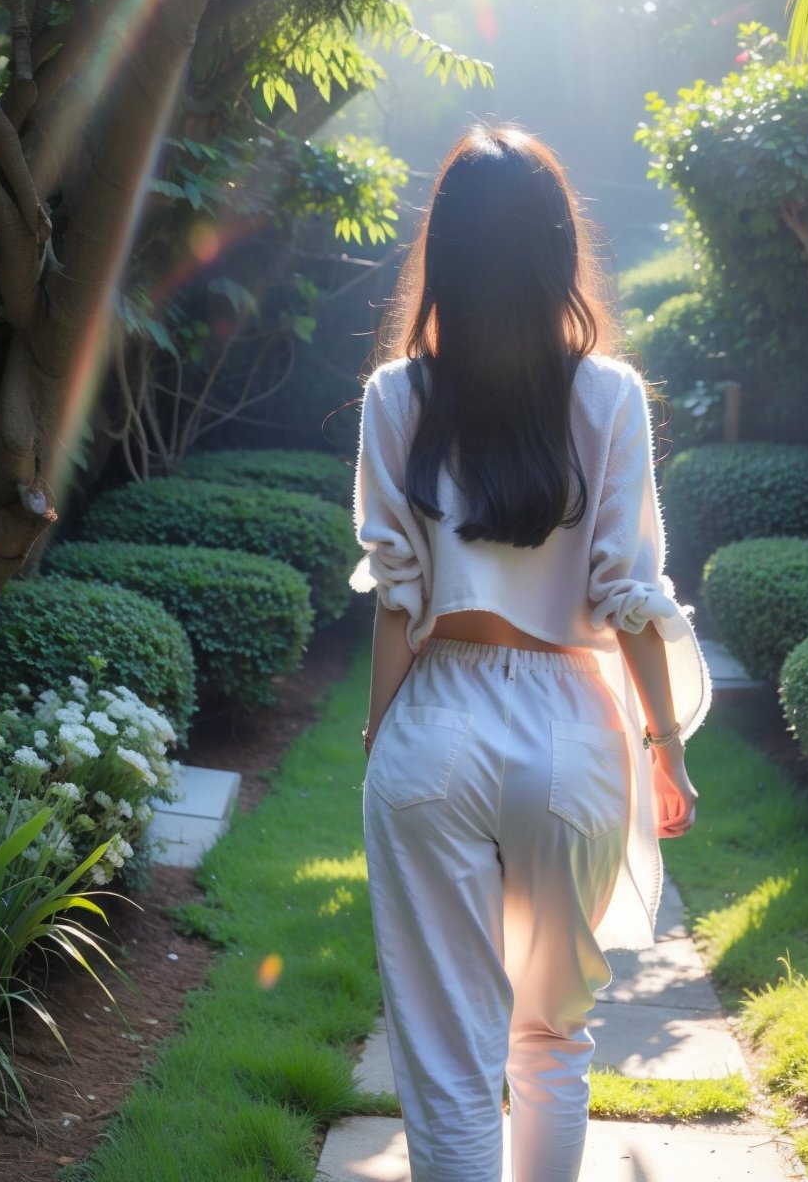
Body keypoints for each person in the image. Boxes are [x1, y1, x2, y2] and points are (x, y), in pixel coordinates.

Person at [348, 124, 712, 1182]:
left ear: (443, 250)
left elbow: (394, 603)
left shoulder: (393, 397)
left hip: (434, 724)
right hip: (573, 727)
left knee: (447, 1060)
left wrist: (381, 741)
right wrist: (666, 749)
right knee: (552, 1041)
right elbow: (630, 595)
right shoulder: (608, 395)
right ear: (558, 248)